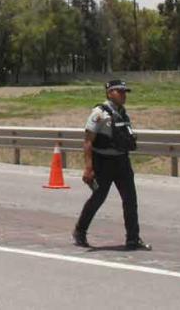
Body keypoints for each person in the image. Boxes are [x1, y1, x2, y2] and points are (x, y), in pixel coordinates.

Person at [73, 80, 151, 250]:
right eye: (120, 91)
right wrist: (88, 168)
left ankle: (133, 239)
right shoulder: (99, 113)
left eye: (125, 92)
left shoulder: (122, 113)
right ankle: (80, 231)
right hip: (103, 162)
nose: (124, 95)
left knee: (130, 200)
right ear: (109, 93)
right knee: (98, 198)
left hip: (122, 161)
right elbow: (88, 142)